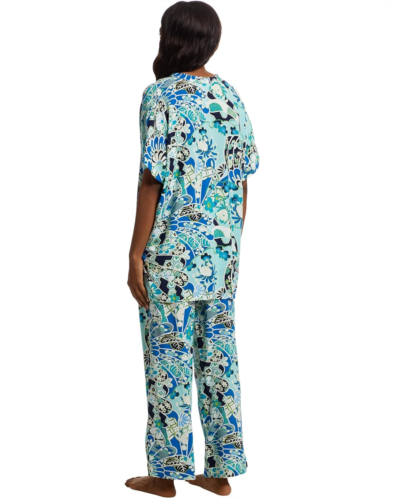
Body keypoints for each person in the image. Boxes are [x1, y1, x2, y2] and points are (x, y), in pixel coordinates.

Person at [126, 2, 259, 496]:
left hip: (170, 256)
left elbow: (151, 179)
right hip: (222, 256)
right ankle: (220, 473)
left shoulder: (159, 96)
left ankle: (165, 476)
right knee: (218, 359)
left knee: (169, 361)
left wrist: (135, 254)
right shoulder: (230, 95)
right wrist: (231, 244)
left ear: (171, 38)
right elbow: (242, 180)